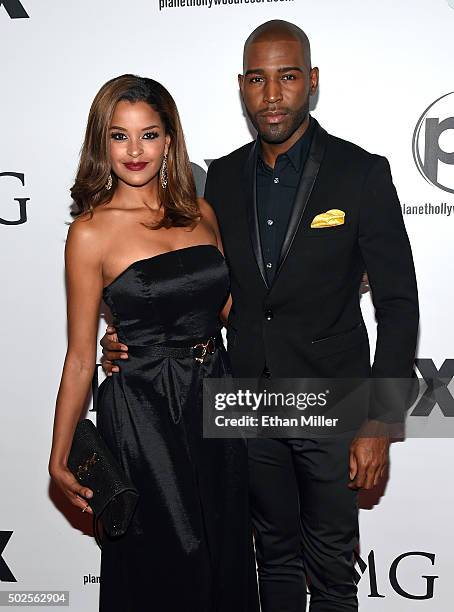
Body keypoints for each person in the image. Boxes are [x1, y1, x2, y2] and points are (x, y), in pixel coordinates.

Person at [102, 21, 419, 612]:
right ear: (242, 87)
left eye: (287, 77)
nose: (272, 94)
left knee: (330, 569)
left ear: (312, 82)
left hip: (334, 400)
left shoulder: (362, 173)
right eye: (258, 79)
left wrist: (380, 422)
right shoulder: (217, 179)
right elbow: (180, 280)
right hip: (244, 401)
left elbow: (399, 304)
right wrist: (130, 338)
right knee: (270, 559)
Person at [48, 74, 259, 612]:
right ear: (102, 142)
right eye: (120, 136)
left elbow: (233, 312)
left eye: (149, 135)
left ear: (170, 140)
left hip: (215, 394)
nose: (135, 151)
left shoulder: (202, 214)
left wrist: (327, 281)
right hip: (143, 408)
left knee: (224, 545)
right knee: (170, 555)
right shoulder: (91, 232)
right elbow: (79, 358)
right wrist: (59, 455)